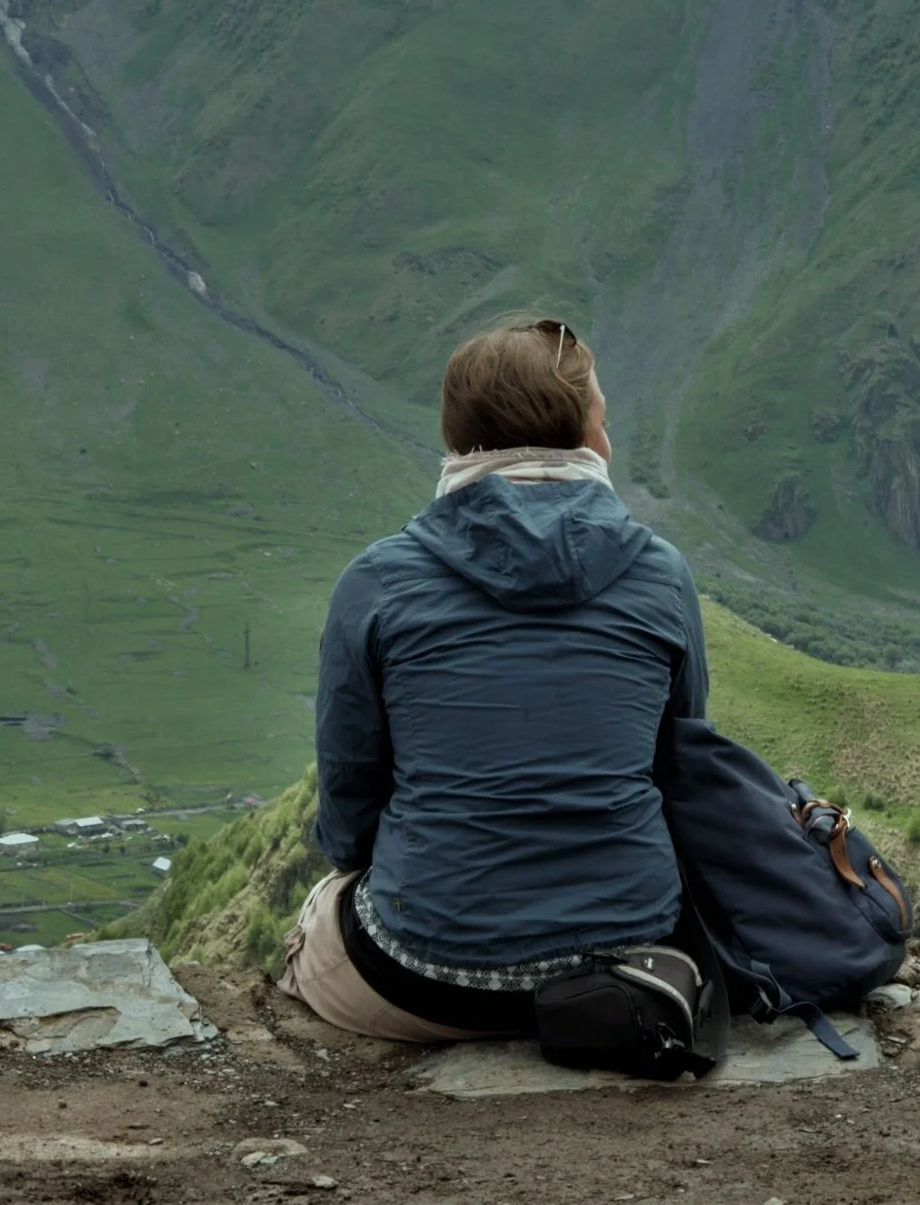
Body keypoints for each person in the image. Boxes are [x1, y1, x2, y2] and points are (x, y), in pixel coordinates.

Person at [278, 317, 712, 1045]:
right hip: (630, 957)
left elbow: (351, 809)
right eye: (601, 417)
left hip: (427, 975)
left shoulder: (377, 581)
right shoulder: (662, 575)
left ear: (456, 440)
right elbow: (681, 765)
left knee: (323, 913)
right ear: (586, 437)